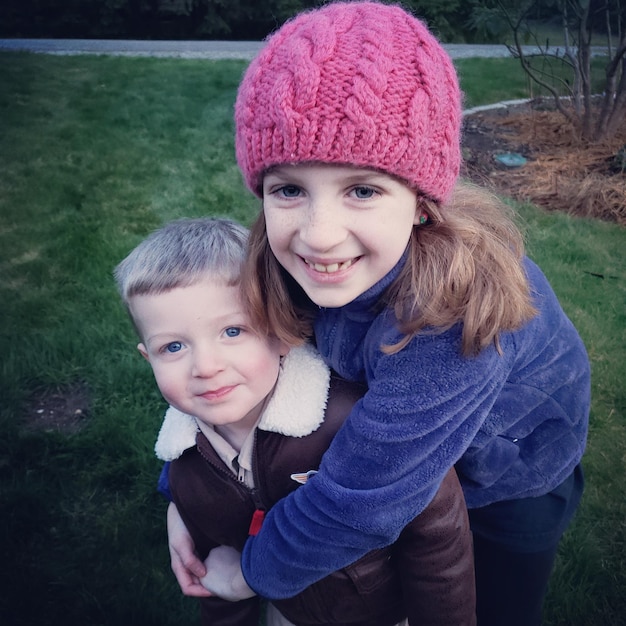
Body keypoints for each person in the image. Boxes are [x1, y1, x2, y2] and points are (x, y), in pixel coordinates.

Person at [167, 3, 591, 625]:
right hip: (393, 438)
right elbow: (216, 364)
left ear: (421, 203)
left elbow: (360, 500)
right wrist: (184, 495)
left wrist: (252, 572)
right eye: (289, 189)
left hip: (508, 476)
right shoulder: (284, 263)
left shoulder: (453, 319)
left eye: (362, 190)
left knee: (489, 602)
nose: (319, 236)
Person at [114, 217, 476, 626]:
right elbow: (215, 572)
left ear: (281, 331)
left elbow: (438, 540)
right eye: (173, 346)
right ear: (149, 357)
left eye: (233, 331)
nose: (206, 366)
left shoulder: (354, 423)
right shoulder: (185, 466)